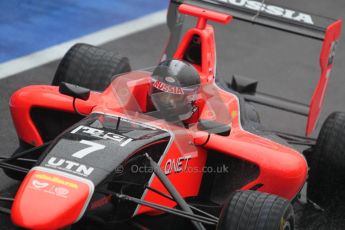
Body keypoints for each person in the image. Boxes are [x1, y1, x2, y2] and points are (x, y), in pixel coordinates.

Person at [147, 59, 201, 125]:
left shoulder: (205, 114)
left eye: (175, 96)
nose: (168, 101)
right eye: (163, 94)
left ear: (190, 98)